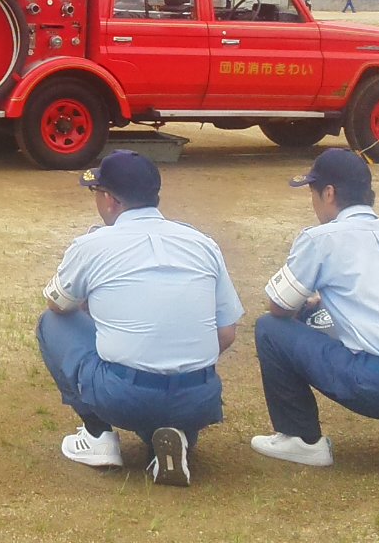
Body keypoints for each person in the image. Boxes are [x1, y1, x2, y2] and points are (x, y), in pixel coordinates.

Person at [37, 150, 243, 487]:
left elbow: (57, 304)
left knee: (52, 324)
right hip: (200, 397)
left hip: (124, 395)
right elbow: (227, 332)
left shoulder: (92, 244)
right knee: (166, 386)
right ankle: (176, 435)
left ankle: (97, 435)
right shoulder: (203, 243)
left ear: (110, 200)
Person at [250, 149, 379, 469]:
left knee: (270, 329)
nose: (313, 203)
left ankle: (301, 439)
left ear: (329, 193)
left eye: (313, 193)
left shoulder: (321, 238)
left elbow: (278, 305)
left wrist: (305, 308)